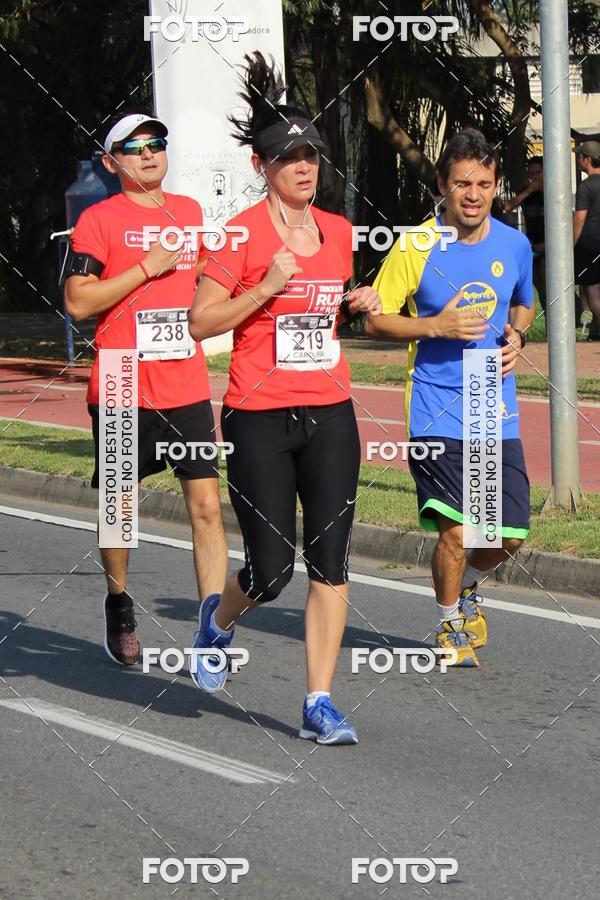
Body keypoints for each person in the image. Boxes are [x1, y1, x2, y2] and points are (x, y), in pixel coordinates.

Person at [188, 52, 382, 744]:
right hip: (258, 416)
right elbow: (201, 322)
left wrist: (359, 302)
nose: (305, 166)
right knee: (270, 572)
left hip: (330, 410)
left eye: (312, 154)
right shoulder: (239, 233)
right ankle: (219, 619)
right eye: (289, 156)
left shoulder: (339, 232)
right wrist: (264, 287)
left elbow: (323, 316)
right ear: (261, 166)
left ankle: (318, 702)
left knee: (331, 560)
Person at [64, 110, 228, 667]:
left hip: (183, 380)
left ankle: (211, 628)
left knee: (207, 504)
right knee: (120, 511)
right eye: (134, 148)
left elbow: (211, 278)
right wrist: (147, 268)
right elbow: (78, 302)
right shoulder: (97, 221)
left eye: (157, 142)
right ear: (112, 163)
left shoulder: (190, 213)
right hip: (120, 383)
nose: (150, 153)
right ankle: (119, 602)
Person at [367, 128, 535, 668]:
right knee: (457, 529)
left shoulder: (514, 244)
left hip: (493, 404)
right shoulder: (416, 245)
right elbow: (376, 320)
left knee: (508, 534)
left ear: (495, 186)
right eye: (461, 182)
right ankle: (447, 627)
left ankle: (465, 592)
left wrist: (518, 336)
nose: (472, 193)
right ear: (442, 184)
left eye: (483, 183)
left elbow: (524, 303)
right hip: (435, 406)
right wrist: (433, 325)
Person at [503, 156, 546, 312]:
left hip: (548, 245)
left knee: (549, 288)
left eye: (538, 173)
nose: (535, 177)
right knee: (536, 287)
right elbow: (508, 207)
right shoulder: (526, 192)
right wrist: (528, 191)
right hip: (532, 246)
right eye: (532, 174)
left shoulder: (552, 190)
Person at [573, 141, 600, 333]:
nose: (578, 159)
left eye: (579, 156)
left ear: (587, 159)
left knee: (592, 293)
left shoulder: (586, 186)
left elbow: (579, 219)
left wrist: (570, 244)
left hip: (589, 245)